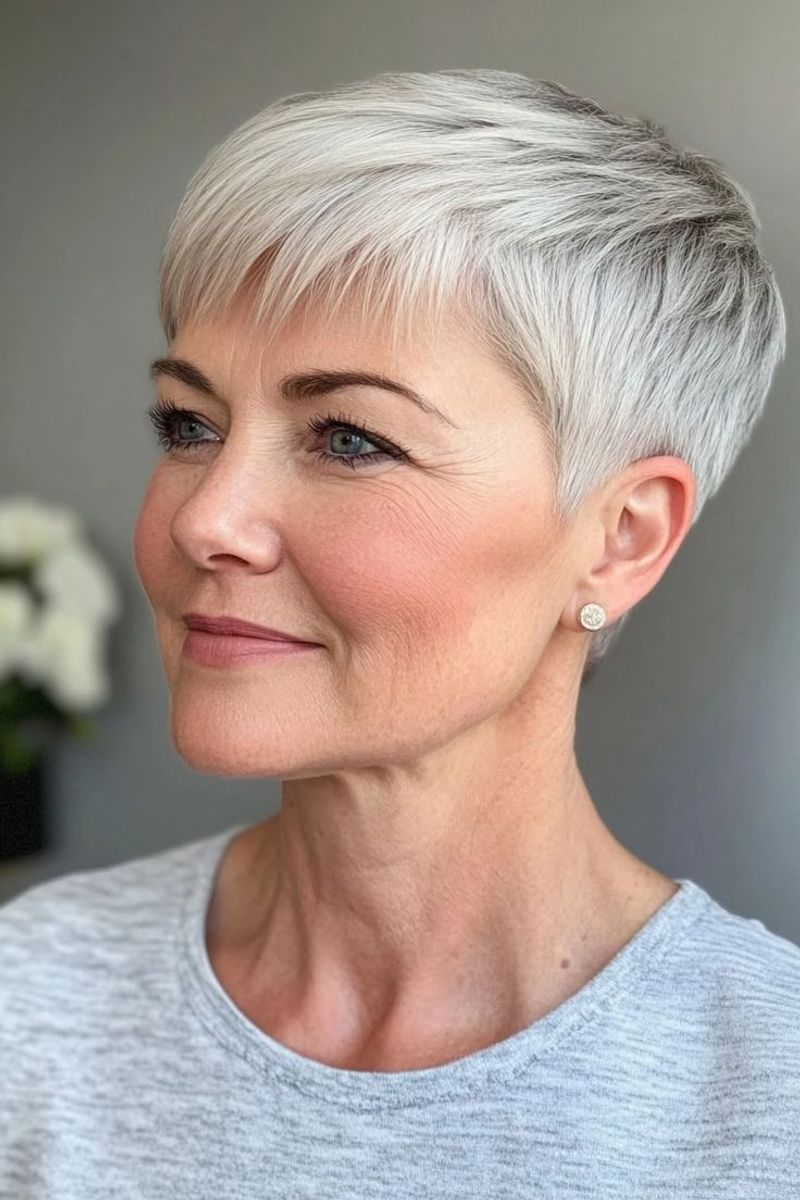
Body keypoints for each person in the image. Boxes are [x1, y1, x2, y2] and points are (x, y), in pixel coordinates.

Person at [2, 68, 798, 1197]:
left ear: (619, 539)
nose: (205, 519)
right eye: (189, 424)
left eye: (349, 440)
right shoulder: (30, 1002)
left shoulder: (768, 1101)